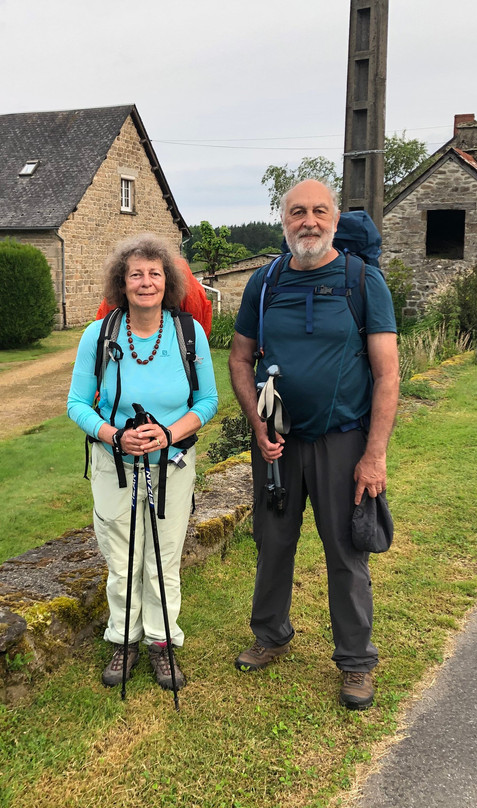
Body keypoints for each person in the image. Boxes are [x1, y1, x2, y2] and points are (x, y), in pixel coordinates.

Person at [227, 180, 399, 710]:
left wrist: (374, 454)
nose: (309, 221)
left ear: (333, 219)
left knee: (345, 550)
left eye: (319, 211)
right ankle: (271, 634)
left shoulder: (362, 281)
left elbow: (387, 375)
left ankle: (355, 661)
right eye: (297, 212)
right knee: (273, 540)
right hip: (277, 441)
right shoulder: (266, 281)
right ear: (284, 221)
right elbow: (239, 359)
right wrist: (256, 424)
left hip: (342, 440)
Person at [67, 233, 218, 691]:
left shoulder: (188, 333)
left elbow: (208, 401)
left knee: (163, 559)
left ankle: (162, 643)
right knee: (123, 557)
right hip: (115, 465)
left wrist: (169, 433)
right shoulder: (100, 334)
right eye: (136, 274)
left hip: (171, 464)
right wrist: (115, 435)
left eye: (155, 273)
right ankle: (123, 639)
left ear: (167, 281)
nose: (146, 282)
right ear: (122, 281)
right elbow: (77, 404)